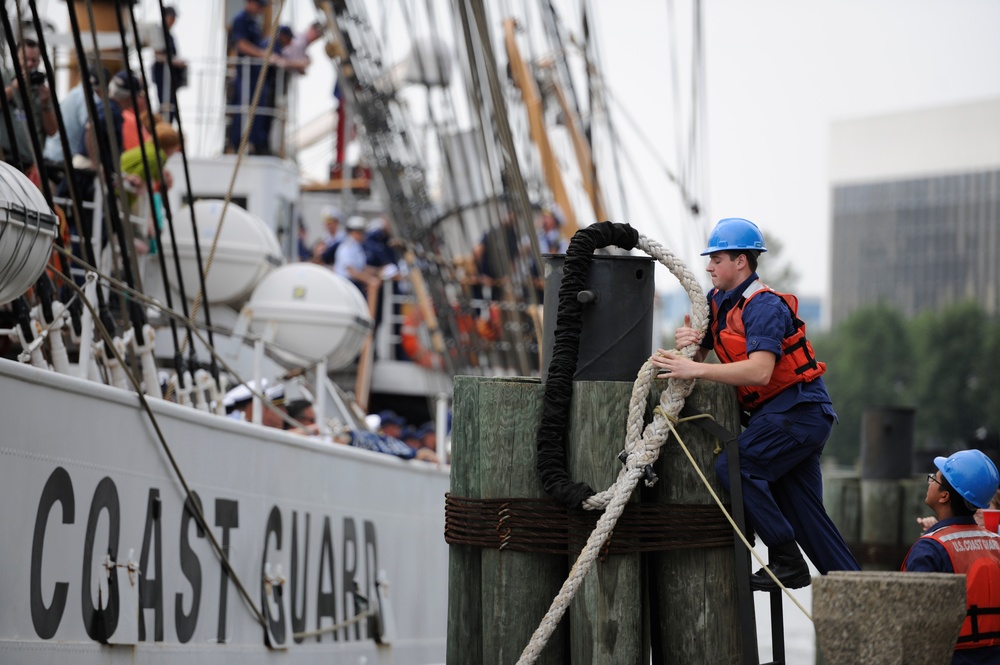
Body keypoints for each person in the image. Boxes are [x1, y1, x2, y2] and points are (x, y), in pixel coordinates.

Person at [651, 217, 860, 591]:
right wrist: (692, 343)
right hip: (787, 417)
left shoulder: (763, 306)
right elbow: (706, 349)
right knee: (806, 515)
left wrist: (695, 366)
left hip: (798, 413)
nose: (709, 266)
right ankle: (863, 595)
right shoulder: (718, 302)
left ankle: (786, 559)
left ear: (741, 262)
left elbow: (762, 371)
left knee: (737, 467)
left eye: (717, 258)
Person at [902, 449, 1000, 664]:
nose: (929, 482)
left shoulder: (930, 548)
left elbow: (915, 621)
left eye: (933, 478)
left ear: (944, 495)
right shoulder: (996, 543)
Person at [228, 0, 284, 154]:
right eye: (259, 6)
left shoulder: (253, 22)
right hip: (246, 75)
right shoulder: (241, 20)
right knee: (244, 107)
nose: (260, 10)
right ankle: (240, 143)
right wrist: (264, 55)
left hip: (255, 74)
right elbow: (241, 45)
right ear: (251, 3)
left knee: (258, 108)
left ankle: (255, 142)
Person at [3, 39, 57, 149]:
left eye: (34, 60)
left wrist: (45, 106)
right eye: (25, 59)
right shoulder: (4, 77)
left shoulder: (41, 87)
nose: (29, 64)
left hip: (30, 161)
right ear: (15, 58)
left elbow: (52, 132)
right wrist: (14, 87)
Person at [151, 6, 187, 122]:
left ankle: (167, 126)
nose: (173, 21)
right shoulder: (159, 32)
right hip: (162, 73)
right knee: (166, 104)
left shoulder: (169, 35)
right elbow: (157, 54)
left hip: (170, 76)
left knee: (170, 105)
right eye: (171, 17)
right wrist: (174, 62)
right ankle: (162, 126)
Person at [334, 215, 381, 293]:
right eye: (361, 232)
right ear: (353, 233)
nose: (363, 235)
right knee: (373, 284)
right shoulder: (347, 247)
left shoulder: (357, 247)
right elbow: (351, 271)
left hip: (352, 282)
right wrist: (369, 279)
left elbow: (361, 267)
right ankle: (369, 306)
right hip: (345, 283)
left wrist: (377, 271)